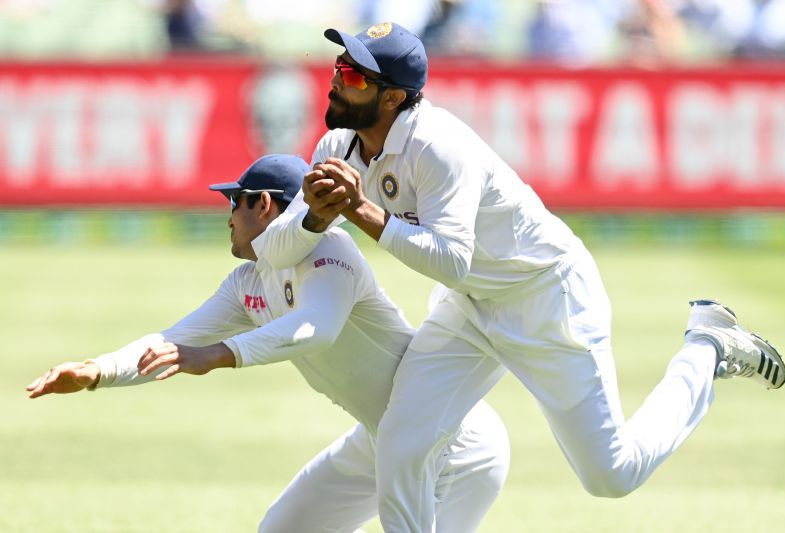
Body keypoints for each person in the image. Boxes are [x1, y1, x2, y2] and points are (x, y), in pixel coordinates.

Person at [253, 22, 785, 532]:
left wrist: (362, 211)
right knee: (404, 439)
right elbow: (275, 249)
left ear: (392, 97)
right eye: (338, 66)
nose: (335, 79)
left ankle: (707, 348)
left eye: (352, 76)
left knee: (610, 474)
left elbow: (449, 258)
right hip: (468, 307)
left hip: (547, 297)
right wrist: (316, 217)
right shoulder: (337, 149)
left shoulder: (439, 146)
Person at [25, 154, 510, 533]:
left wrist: (220, 355)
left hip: (456, 442)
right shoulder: (246, 281)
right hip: (381, 437)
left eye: (234, 202)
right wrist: (98, 372)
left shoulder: (330, 250)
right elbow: (174, 340)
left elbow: (317, 327)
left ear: (263, 204)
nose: (228, 216)